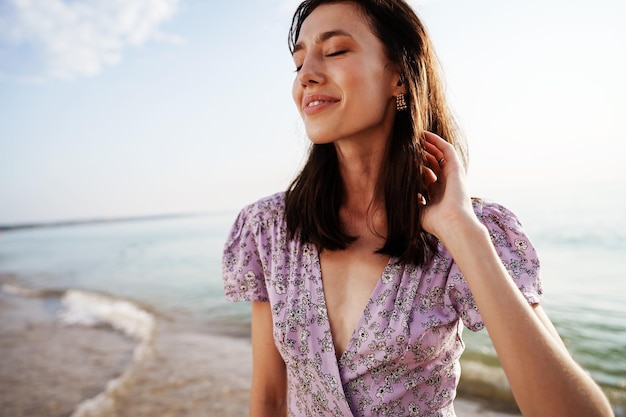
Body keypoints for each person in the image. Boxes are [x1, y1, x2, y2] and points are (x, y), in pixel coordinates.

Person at [222, 1, 613, 416]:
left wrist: (459, 229)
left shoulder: (470, 232)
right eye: (298, 63)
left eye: (335, 51)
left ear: (400, 76)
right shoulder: (268, 230)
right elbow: (268, 397)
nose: (307, 76)